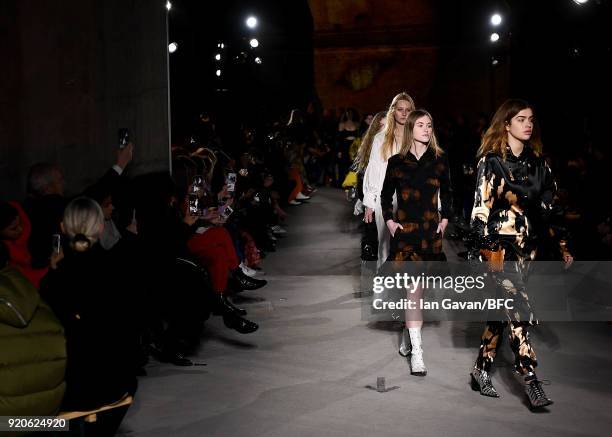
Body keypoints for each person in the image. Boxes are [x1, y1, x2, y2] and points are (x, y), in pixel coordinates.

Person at [468, 99, 573, 409]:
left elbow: (553, 209)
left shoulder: (539, 165)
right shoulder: (491, 162)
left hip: (528, 249)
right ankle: (530, 378)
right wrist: (478, 250)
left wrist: (564, 246)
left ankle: (481, 370)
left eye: (531, 119)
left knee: (502, 314)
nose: (528, 124)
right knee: (517, 308)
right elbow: (480, 207)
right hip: (498, 250)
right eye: (522, 119)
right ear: (507, 124)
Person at [39, 197, 138, 416]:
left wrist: (53, 272)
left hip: (69, 385)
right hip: (117, 382)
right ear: (101, 227)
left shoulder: (58, 276)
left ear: (63, 228)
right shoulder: (116, 268)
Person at [380, 109, 452, 376]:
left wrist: (445, 221)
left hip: (430, 235)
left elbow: (450, 194)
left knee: (417, 294)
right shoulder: (396, 162)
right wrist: (389, 222)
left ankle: (408, 334)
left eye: (429, 125)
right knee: (413, 291)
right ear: (410, 129)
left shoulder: (440, 160)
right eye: (420, 125)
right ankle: (418, 354)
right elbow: (386, 197)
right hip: (406, 234)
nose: (426, 129)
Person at [362, 93, 416, 269]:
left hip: (412, 198)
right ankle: (384, 288)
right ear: (393, 111)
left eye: (408, 110)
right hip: (385, 197)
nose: (404, 113)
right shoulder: (381, 138)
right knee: (384, 245)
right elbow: (374, 168)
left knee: (410, 245)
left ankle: (407, 289)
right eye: (400, 109)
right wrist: (370, 201)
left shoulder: (418, 137)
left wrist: (435, 203)